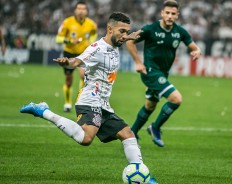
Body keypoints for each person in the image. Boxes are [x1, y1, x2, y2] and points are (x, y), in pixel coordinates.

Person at [20, 12, 158, 184]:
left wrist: (128, 37)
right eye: (121, 31)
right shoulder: (96, 49)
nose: (124, 35)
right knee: (86, 138)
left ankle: (142, 175)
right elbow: (77, 61)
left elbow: (121, 39)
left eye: (126, 32)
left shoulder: (116, 43)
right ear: (109, 29)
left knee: (128, 134)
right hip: (89, 100)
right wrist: (67, 62)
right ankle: (44, 111)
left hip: (104, 104)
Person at [126, 0, 201, 147]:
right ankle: (155, 128)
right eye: (167, 13)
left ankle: (132, 133)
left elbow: (193, 46)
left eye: (173, 13)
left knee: (150, 106)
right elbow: (129, 41)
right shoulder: (150, 29)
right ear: (162, 13)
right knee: (176, 99)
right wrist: (138, 62)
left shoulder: (180, 32)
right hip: (150, 72)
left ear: (177, 15)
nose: (170, 16)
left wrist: (197, 51)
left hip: (163, 74)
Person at [56, 1, 98, 112]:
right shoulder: (67, 22)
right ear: (75, 10)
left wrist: (91, 41)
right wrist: (69, 41)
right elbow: (58, 38)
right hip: (69, 53)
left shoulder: (91, 24)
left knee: (84, 76)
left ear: (86, 11)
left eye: (83, 9)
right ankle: (67, 103)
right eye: (79, 8)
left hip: (82, 54)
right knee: (69, 81)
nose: (81, 11)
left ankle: (80, 100)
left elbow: (94, 33)